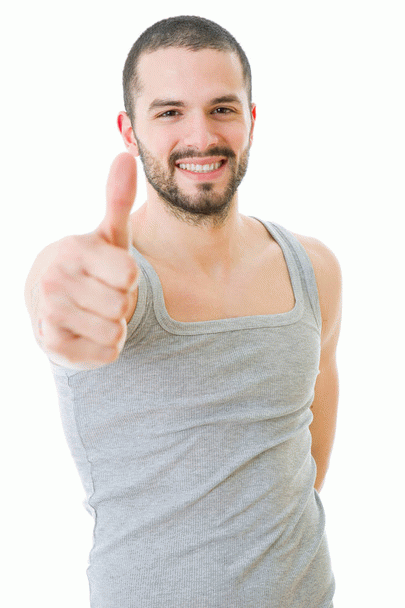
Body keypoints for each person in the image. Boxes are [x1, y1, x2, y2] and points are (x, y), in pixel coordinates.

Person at [24, 15, 341, 608]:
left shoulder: (315, 268)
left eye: (222, 108)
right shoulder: (102, 273)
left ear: (251, 120)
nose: (201, 136)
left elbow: (307, 454)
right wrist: (64, 310)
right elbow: (57, 293)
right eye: (169, 112)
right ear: (129, 131)